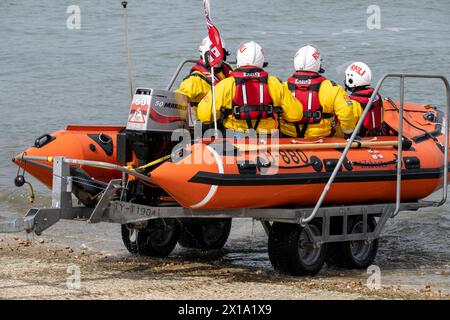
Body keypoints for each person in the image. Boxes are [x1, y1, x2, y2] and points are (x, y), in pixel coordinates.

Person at [197, 41, 303, 134]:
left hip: (234, 140)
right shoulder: (274, 84)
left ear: (239, 59)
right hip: (268, 141)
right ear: (261, 61)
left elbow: (204, 115)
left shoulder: (226, 84)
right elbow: (296, 115)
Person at [281, 45, 355, 138]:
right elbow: (346, 113)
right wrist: (348, 134)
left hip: (288, 138)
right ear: (318, 63)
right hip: (321, 140)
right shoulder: (332, 88)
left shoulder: (283, 87)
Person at [176, 36, 233, 112]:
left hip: (230, 119)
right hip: (209, 121)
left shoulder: (229, 71)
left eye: (220, 54)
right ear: (204, 55)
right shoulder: (195, 80)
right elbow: (176, 99)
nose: (216, 58)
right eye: (212, 55)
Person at [344, 62, 385, 136]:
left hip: (362, 139)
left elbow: (347, 125)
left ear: (351, 79)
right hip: (379, 134)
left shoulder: (353, 102)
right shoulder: (376, 95)